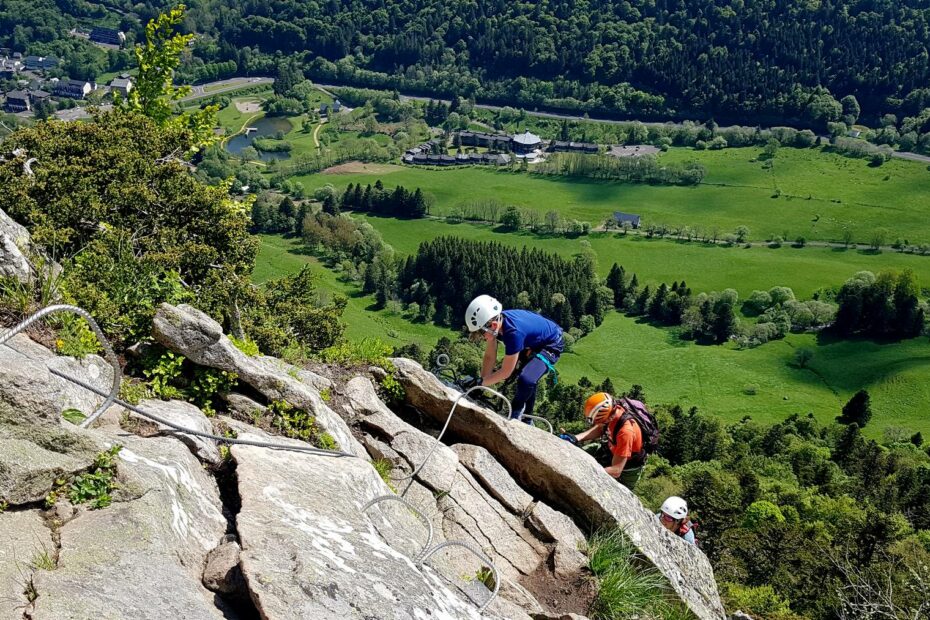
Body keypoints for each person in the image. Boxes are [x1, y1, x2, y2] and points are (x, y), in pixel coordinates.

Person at [463, 294, 564, 423]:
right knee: (526, 377)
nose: (481, 337)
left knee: (527, 379)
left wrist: (479, 383)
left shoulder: (513, 333)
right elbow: (489, 357)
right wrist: (480, 385)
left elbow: (506, 372)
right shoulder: (497, 323)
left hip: (551, 343)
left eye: (481, 333)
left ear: (493, 325)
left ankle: (518, 413)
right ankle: (527, 417)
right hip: (534, 339)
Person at [559, 392, 645, 489]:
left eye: (599, 421)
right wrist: (576, 438)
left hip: (626, 469)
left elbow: (616, 470)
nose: (596, 424)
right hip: (609, 450)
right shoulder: (612, 412)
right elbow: (601, 428)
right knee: (575, 456)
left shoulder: (625, 432)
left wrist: (589, 472)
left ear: (609, 418)